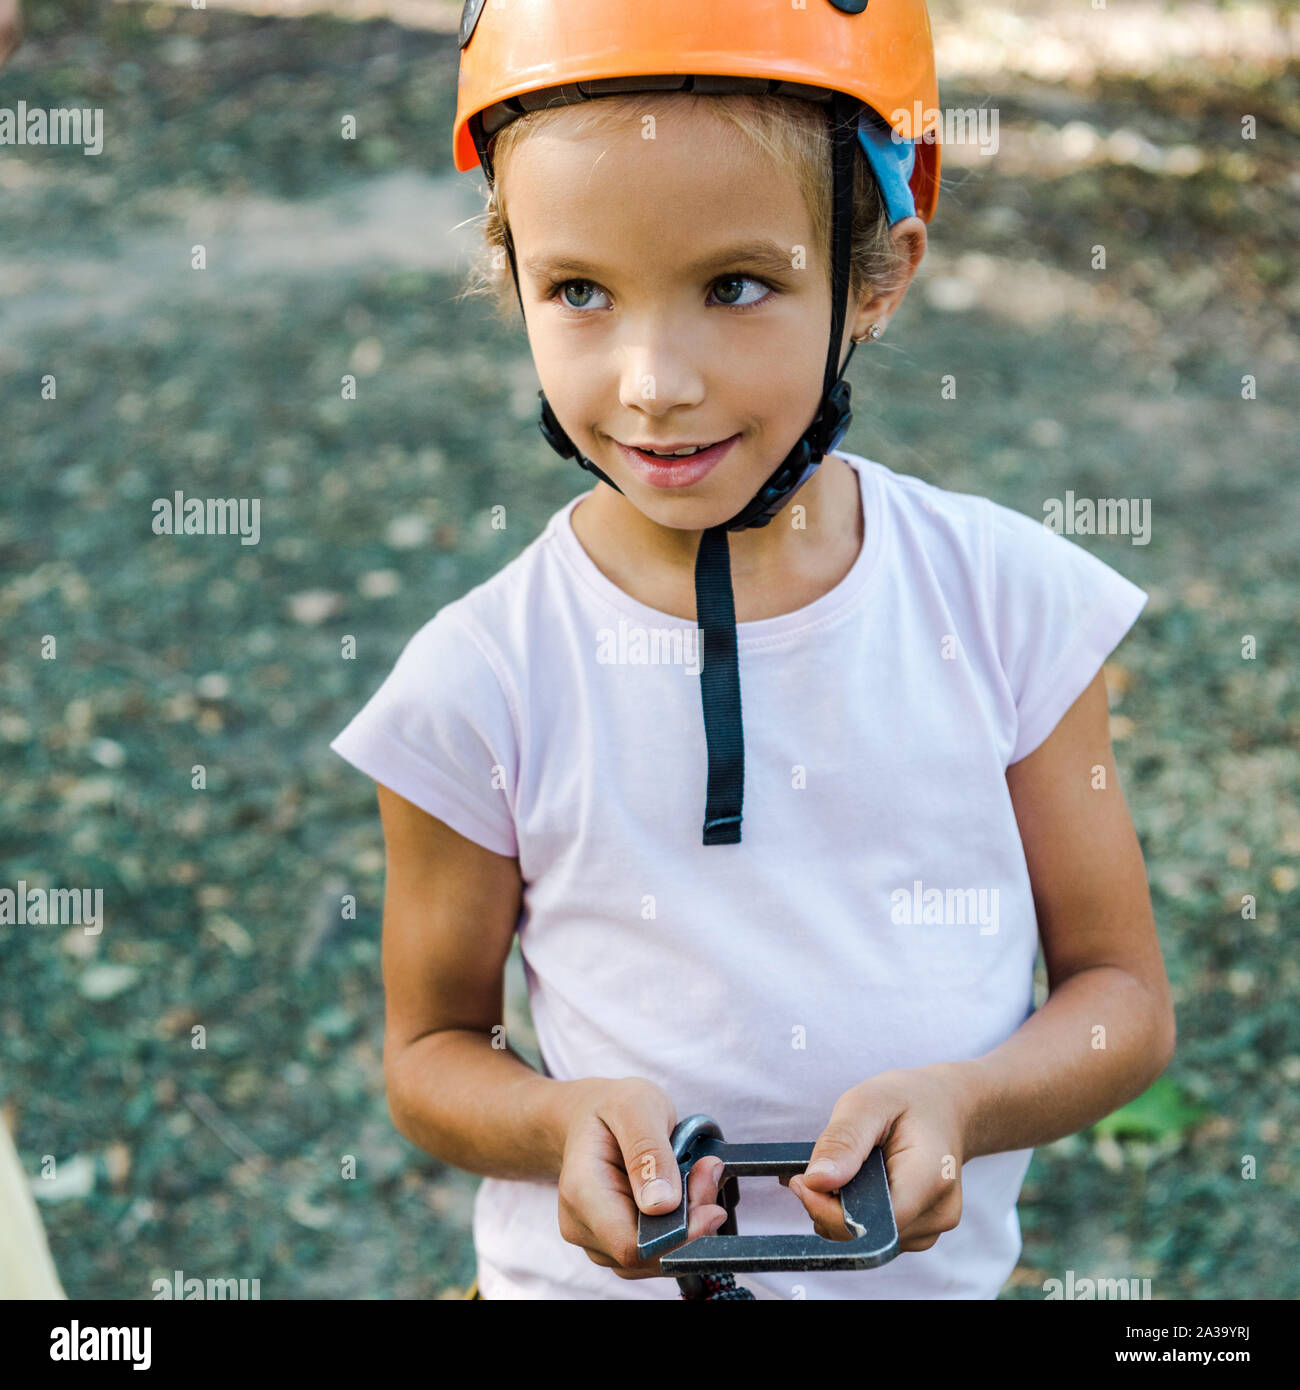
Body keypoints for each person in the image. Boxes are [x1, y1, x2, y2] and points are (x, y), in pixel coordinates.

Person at [330, 0, 1175, 1300]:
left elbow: (1122, 996)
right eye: (579, 291)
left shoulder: (1011, 608)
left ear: (878, 278)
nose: (653, 379)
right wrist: (554, 1123)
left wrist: (970, 1098)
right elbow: (430, 1051)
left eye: (736, 285)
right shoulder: (478, 681)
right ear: (512, 281)